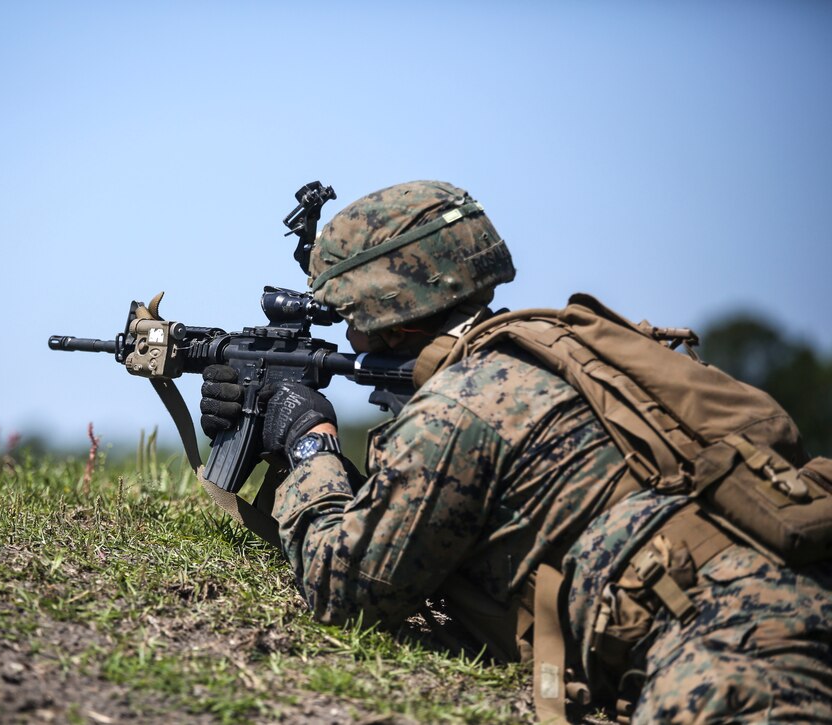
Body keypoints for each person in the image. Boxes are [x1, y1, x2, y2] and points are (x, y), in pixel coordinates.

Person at [199, 181, 832, 724]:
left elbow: (343, 589)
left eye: (349, 317)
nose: (350, 335)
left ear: (394, 313)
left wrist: (310, 443)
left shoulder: (464, 401)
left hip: (733, 659)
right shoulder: (568, 345)